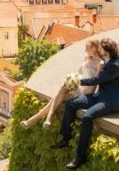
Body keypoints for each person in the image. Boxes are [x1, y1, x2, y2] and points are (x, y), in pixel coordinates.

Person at [51, 37, 119, 169]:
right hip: (100, 95)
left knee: (87, 117)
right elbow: (93, 55)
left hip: (111, 100)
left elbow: (97, 80)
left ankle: (80, 157)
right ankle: (66, 137)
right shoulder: (108, 58)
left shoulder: (116, 65)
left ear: (106, 50)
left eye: (101, 48)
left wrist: (76, 80)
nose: (99, 50)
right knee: (71, 104)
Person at [20, 39, 103, 129]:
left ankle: (35, 120)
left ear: (94, 48)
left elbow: (95, 83)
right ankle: (47, 118)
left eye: (87, 48)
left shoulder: (100, 63)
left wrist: (85, 92)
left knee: (56, 98)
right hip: (77, 83)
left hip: (84, 89)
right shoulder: (86, 58)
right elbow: (79, 73)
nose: (85, 50)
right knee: (62, 88)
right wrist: (71, 78)